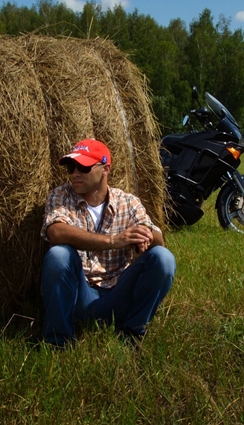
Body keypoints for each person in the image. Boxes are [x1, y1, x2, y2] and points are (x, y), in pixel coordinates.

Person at [40, 138, 176, 347]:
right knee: (59, 255)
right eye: (70, 167)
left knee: (163, 258)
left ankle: (132, 332)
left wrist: (145, 233)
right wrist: (113, 240)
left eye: (83, 166)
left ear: (105, 168)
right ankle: (58, 342)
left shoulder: (127, 202)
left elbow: (159, 239)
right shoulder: (61, 196)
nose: (75, 173)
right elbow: (55, 232)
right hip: (78, 294)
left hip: (118, 294)